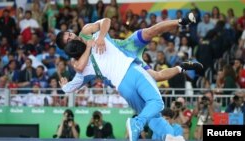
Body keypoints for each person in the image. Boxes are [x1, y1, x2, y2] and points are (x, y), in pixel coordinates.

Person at [58, 14, 198, 141]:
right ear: (66, 47)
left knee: (150, 32)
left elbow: (106, 20)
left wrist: (100, 37)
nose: (72, 37)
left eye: (70, 34)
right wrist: (89, 47)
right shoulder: (77, 60)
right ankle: (182, 67)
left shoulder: (87, 32)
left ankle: (181, 22)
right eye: (68, 39)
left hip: (124, 49)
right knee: (156, 77)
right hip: (125, 66)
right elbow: (79, 67)